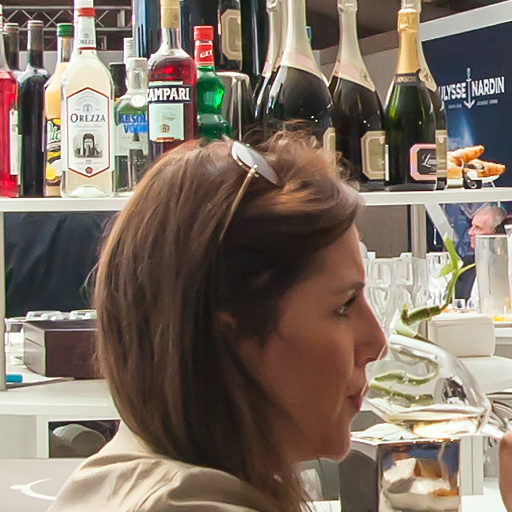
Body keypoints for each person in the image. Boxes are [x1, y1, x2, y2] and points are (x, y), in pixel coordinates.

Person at [48, 131, 386, 512]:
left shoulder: (128, 473)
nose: (377, 342)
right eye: (343, 305)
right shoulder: (185, 505)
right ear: (230, 338)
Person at [455, 205, 507, 300]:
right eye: (472, 226)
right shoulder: (464, 268)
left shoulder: (507, 268)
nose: (470, 232)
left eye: (478, 228)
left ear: (496, 233)